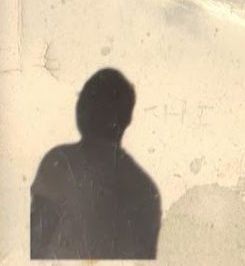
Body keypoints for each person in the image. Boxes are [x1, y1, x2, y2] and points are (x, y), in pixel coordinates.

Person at [30, 68, 162, 260]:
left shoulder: (60, 162)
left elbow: (35, 244)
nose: (81, 106)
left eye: (85, 99)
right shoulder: (146, 189)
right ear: (127, 118)